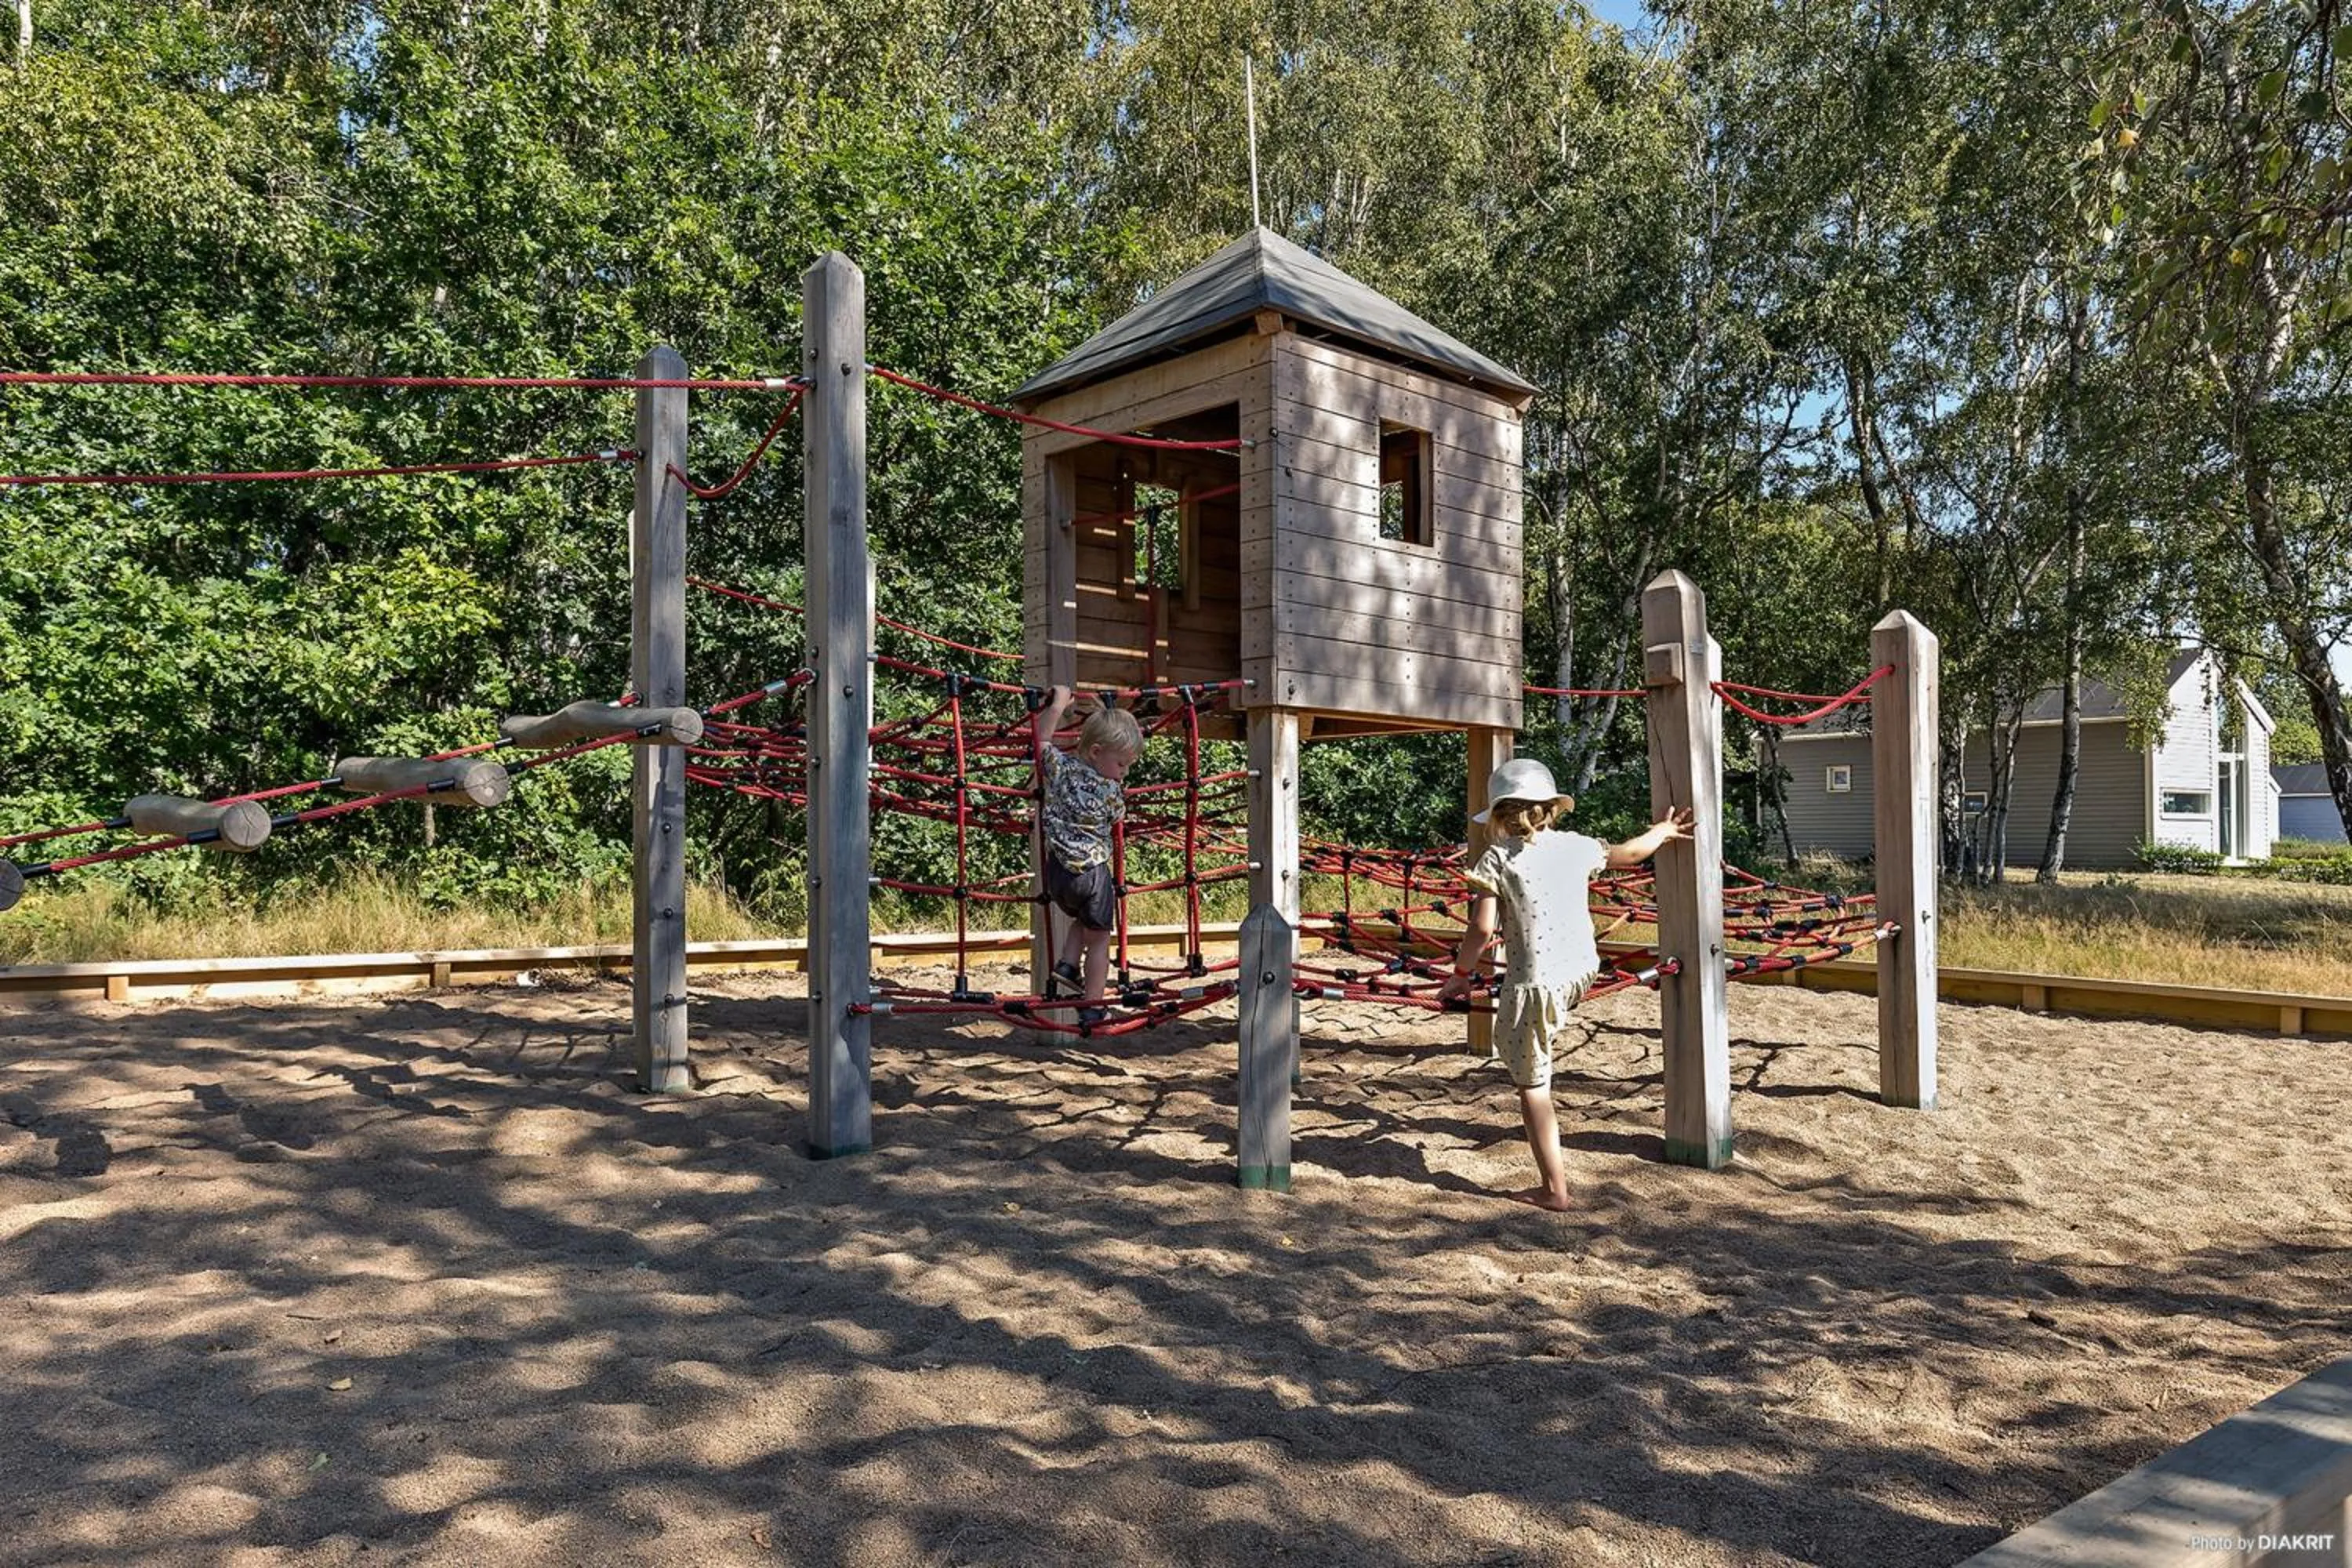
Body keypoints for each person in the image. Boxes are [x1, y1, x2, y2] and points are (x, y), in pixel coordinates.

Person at [1435, 757, 1695, 1210]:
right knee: (1539, 1033)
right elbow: (1630, 854)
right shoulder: (1577, 847)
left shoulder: (1496, 858)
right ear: (1552, 810)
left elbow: (1480, 930)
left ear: (1499, 817)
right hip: (1579, 969)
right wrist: (1663, 832)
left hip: (1534, 984)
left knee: (1533, 1085)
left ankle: (1554, 1190)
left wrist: (1459, 977)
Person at [1033, 686, 1145, 1027]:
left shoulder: (1061, 768)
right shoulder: (1111, 791)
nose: (1124, 772)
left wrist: (1057, 705)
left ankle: (1067, 964)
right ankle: (1093, 1006)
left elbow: (1041, 742)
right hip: (1093, 875)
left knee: (1085, 920)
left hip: (1058, 876)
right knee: (1100, 942)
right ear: (1096, 752)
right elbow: (1116, 817)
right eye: (1121, 764)